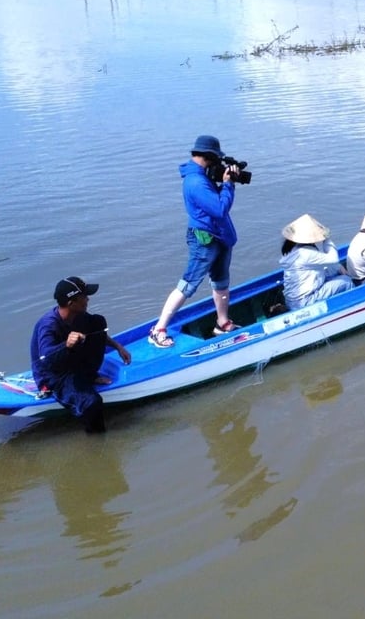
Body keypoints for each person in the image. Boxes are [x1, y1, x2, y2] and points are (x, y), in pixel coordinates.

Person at [150, 135, 241, 348]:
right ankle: (159, 329)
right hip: (204, 239)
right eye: (216, 159)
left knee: (221, 281)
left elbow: (213, 204)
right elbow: (219, 209)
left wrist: (225, 183)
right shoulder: (196, 182)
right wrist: (228, 185)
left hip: (219, 236)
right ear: (209, 157)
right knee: (188, 284)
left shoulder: (202, 176)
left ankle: (222, 322)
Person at [30, 276, 131, 433]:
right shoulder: (48, 325)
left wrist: (118, 346)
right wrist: (66, 344)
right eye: (84, 297)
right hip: (54, 375)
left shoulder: (79, 316)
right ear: (71, 303)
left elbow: (97, 333)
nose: (88, 299)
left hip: (72, 362)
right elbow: (45, 358)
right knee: (92, 403)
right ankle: (97, 442)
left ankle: (90, 376)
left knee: (98, 322)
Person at [279, 213, 353, 310]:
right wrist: (327, 238)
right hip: (304, 302)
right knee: (346, 281)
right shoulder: (306, 253)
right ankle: (349, 307)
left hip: (291, 301)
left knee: (333, 269)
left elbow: (328, 264)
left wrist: (338, 267)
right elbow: (334, 259)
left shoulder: (292, 250)